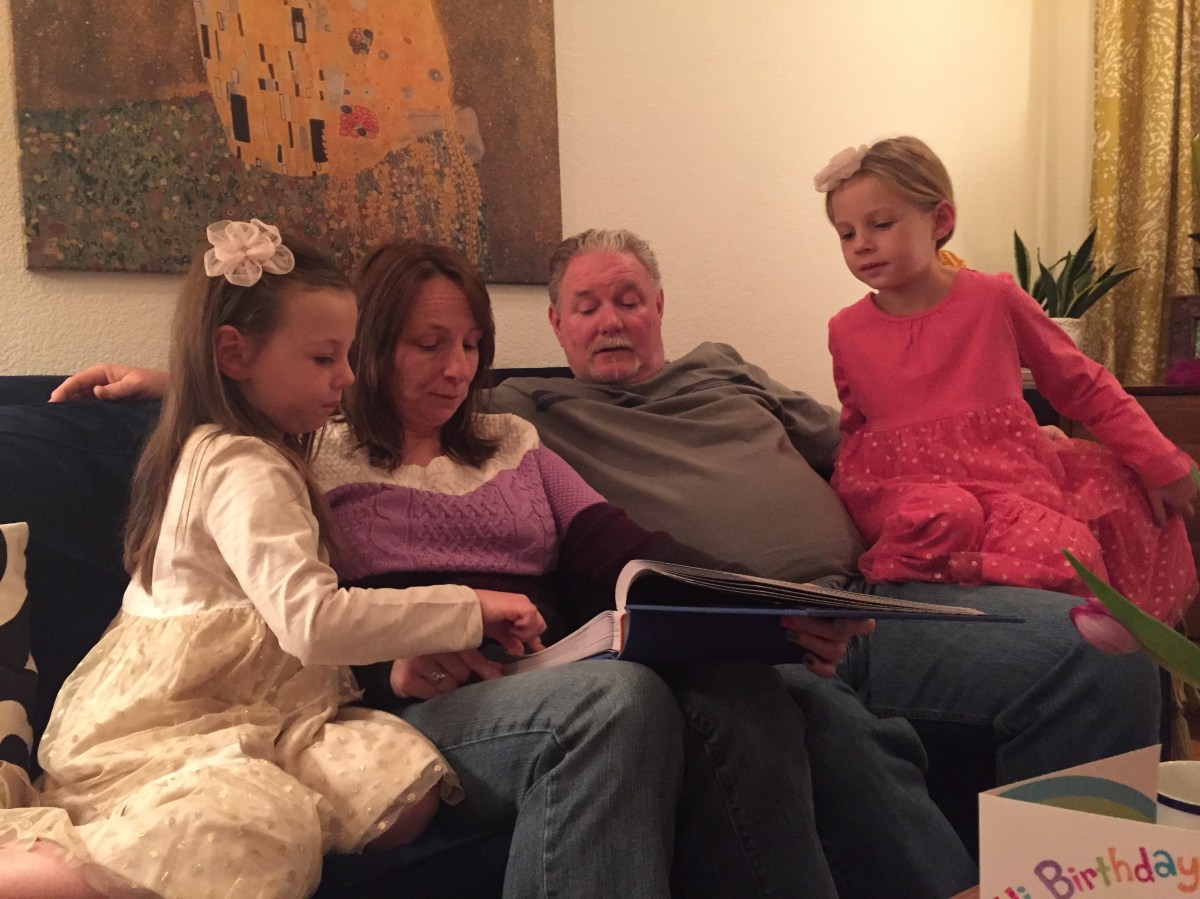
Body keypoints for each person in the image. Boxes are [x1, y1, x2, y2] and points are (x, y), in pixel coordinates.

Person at [52, 242, 979, 897]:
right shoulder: (314, 451)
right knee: (617, 702)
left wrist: (767, 606)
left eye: (471, 346)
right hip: (411, 700)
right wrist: (164, 383)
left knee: (776, 686)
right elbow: (277, 561)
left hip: (547, 664)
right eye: (429, 344)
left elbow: (621, 547)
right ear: (370, 346)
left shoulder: (512, 438)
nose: (456, 369)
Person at [485, 227, 1164, 813]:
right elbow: (436, 443)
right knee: (844, 748)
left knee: (1101, 651)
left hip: (875, 596)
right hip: (752, 641)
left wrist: (1009, 444)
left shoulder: (721, 368)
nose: (610, 320)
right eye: (587, 307)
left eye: (629, 300)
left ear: (659, 307)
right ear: (556, 323)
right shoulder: (524, 409)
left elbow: (863, 446)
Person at [0, 220, 548, 899]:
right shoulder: (243, 467)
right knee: (255, 828)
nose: (347, 377)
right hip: (176, 717)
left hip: (265, 706)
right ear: (233, 354)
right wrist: (469, 608)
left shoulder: (249, 440)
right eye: (324, 359)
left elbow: (246, 383)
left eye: (348, 355)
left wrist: (170, 380)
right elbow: (312, 622)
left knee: (399, 784)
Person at [814, 136, 1198, 652]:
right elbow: (855, 425)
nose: (861, 244)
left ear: (940, 220)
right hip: (902, 487)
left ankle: (1073, 641)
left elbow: (1080, 383)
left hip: (1004, 479)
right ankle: (913, 582)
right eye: (846, 233)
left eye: (880, 224)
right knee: (946, 512)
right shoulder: (845, 329)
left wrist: (1160, 463)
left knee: (1078, 538)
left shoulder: (992, 298)